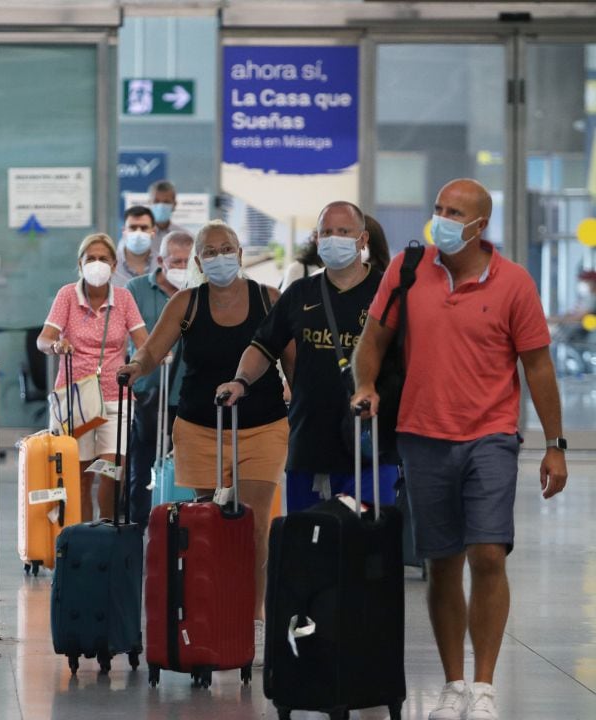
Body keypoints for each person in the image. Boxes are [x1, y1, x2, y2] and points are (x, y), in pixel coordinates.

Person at [352, 179, 568, 720]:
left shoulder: (514, 283)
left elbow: (537, 365)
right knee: (442, 561)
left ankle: (484, 685)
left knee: (489, 553)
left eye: (454, 212)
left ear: (480, 226)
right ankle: (452, 684)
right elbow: (372, 340)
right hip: (422, 436)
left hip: (490, 436)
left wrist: (555, 444)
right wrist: (365, 385)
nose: (442, 218)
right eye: (438, 209)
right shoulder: (408, 269)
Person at [118, 220, 290, 660]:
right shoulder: (186, 303)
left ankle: (253, 618)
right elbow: (153, 350)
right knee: (207, 524)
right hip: (198, 426)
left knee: (254, 525)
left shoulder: (268, 300)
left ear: (240, 252)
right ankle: (208, 608)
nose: (219, 257)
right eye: (210, 251)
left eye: (226, 248)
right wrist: (137, 369)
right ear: (198, 261)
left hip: (262, 426)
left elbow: (295, 361)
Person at [228, 201, 399, 514]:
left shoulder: (387, 294)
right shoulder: (300, 293)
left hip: (370, 445)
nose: (334, 239)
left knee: (370, 545)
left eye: (343, 231)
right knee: (309, 546)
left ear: (362, 240)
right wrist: (241, 381)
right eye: (326, 232)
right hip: (310, 444)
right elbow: (263, 345)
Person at [38, 233, 148, 521]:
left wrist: (138, 364)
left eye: (103, 259)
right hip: (75, 400)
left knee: (112, 472)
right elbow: (44, 338)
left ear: (114, 265)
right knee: (80, 476)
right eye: (91, 259)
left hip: (116, 399)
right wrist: (55, 345)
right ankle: (82, 539)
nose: (97, 264)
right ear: (80, 264)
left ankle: (107, 532)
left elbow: (144, 343)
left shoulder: (124, 299)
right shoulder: (67, 296)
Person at [123, 230, 192, 527]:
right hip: (149, 395)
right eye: (176, 261)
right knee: (143, 470)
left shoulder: (198, 291)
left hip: (188, 395)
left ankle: (180, 530)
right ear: (161, 260)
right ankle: (139, 533)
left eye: (188, 262)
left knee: (187, 470)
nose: (182, 268)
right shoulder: (136, 289)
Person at [112, 205, 157, 288]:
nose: (138, 233)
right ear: (124, 231)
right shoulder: (110, 264)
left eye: (144, 228)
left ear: (153, 231)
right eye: (133, 227)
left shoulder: (162, 264)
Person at [147, 180, 189, 255]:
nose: (161, 206)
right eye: (156, 201)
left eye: (166, 202)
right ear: (149, 203)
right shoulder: (139, 236)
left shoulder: (184, 236)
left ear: (174, 205)